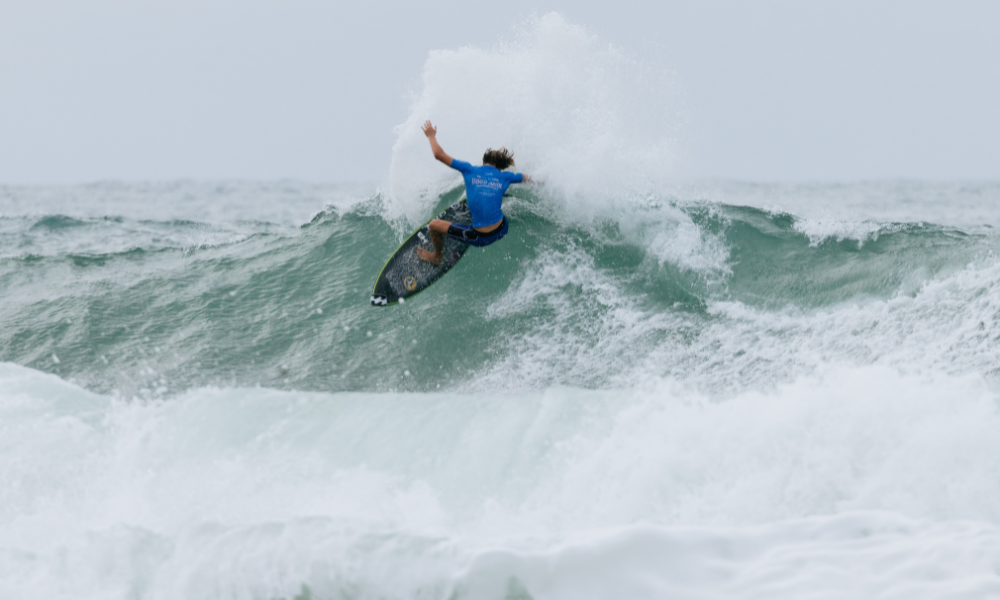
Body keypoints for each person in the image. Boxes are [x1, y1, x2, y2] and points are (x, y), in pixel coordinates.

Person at [416, 120, 531, 264]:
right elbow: (530, 178)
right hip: (503, 228)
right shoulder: (506, 177)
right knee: (491, 202)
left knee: (434, 225)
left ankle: (437, 257)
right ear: (500, 167)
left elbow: (438, 154)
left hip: (480, 237)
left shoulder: (469, 169)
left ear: (483, 161)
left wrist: (431, 135)